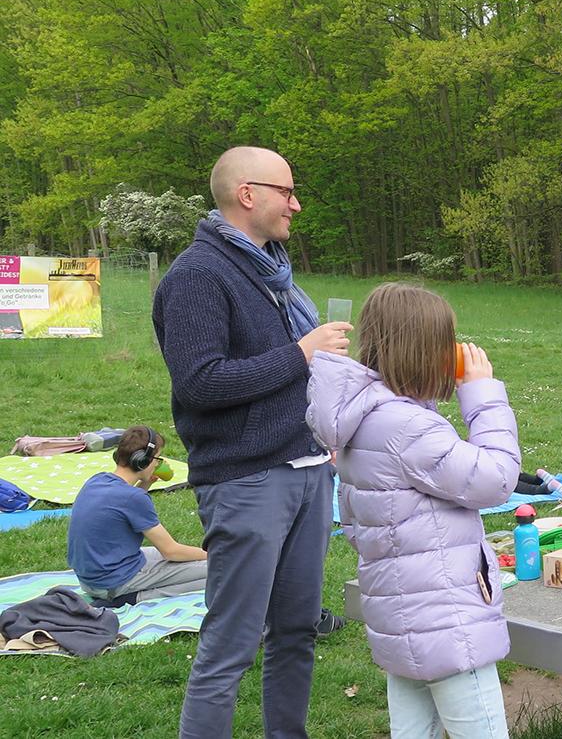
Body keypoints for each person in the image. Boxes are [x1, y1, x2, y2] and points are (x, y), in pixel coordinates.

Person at [153, 146, 352, 738]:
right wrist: (301, 352)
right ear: (248, 194)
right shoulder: (196, 276)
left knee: (296, 632)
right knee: (231, 646)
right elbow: (201, 382)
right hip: (246, 480)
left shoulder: (273, 275)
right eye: (286, 191)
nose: (296, 203)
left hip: (310, 469)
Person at [307, 282, 521, 739]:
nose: (454, 352)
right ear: (422, 351)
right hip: (445, 621)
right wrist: (482, 394)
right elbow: (497, 478)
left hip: (403, 617)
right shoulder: (407, 426)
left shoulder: (367, 415)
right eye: (446, 341)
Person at [67, 426, 208, 605]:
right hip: (114, 583)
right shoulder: (134, 498)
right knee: (221, 570)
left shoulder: (98, 480)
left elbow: (124, 508)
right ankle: (134, 598)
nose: (158, 464)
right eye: (157, 458)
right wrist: (214, 555)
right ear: (141, 461)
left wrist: (145, 484)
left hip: (91, 580)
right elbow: (171, 551)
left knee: (181, 559)